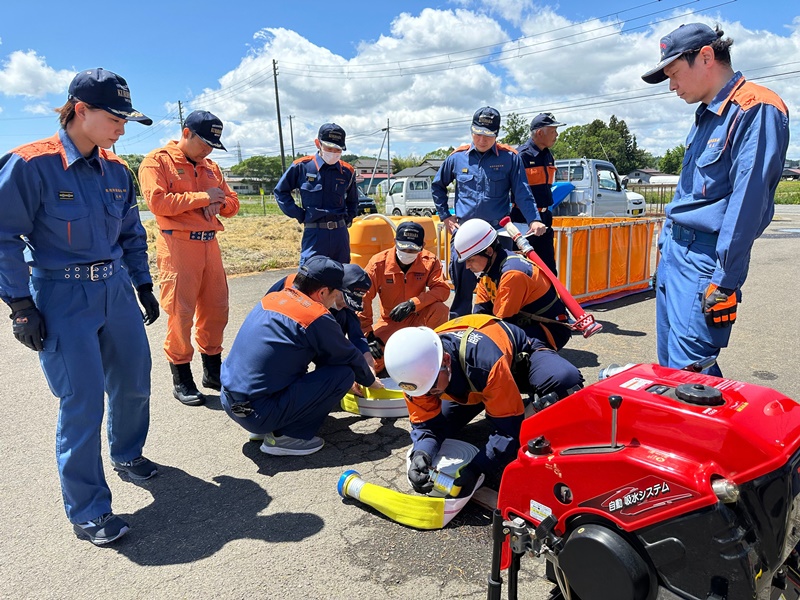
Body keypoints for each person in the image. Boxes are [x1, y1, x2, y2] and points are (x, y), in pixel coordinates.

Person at [0, 68, 159, 545]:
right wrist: (21, 305)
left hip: (115, 290)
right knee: (82, 401)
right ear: (80, 110)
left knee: (134, 381)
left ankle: (127, 453)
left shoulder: (116, 170)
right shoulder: (30, 165)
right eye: (115, 117)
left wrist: (143, 283)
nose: (122, 128)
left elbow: (131, 232)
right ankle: (89, 509)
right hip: (61, 295)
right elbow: (3, 237)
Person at [641, 23, 790, 376]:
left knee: (691, 371)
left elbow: (747, 205)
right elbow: (687, 193)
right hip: (676, 255)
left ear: (705, 56)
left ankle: (708, 432)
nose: (673, 86)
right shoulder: (705, 115)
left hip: (704, 261)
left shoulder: (755, 108)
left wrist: (725, 281)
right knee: (671, 368)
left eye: (675, 74)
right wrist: (664, 248)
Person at [383, 317, 583, 497]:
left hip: (517, 363)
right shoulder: (417, 375)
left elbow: (507, 431)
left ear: (445, 361)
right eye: (420, 392)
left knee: (565, 380)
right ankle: (492, 399)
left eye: (431, 387)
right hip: (476, 380)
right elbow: (426, 426)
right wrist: (422, 453)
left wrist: (478, 469)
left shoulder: (484, 362)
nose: (427, 394)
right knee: (443, 427)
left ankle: (531, 406)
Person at [220, 256, 383, 456]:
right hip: (258, 413)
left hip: (229, 401)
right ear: (323, 292)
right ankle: (286, 437)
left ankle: (266, 427)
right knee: (343, 374)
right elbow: (348, 356)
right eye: (335, 294)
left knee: (290, 362)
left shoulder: (273, 297)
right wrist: (370, 381)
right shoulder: (315, 316)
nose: (335, 301)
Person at [138, 110, 240, 406]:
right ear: (186, 133)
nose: (208, 150)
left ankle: (212, 371)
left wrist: (219, 202)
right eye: (204, 142)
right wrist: (204, 198)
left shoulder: (211, 167)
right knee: (181, 313)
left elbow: (232, 203)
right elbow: (158, 202)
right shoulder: (157, 162)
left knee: (216, 308)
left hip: (210, 245)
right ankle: (182, 376)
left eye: (213, 145)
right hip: (178, 245)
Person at [431, 107, 546, 318]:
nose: (482, 140)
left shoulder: (510, 158)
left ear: (497, 135)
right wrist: (445, 216)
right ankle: (458, 332)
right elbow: (437, 185)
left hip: (498, 234)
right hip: (464, 233)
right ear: (471, 130)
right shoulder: (457, 158)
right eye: (478, 133)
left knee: (501, 286)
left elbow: (522, 192)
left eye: (488, 135)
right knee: (463, 290)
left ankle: (497, 332)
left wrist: (534, 220)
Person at [453, 219, 571, 351]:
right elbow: (480, 314)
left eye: (471, 260)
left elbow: (500, 323)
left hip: (549, 330)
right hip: (522, 322)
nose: (468, 267)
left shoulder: (512, 274)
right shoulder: (487, 271)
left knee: (503, 348)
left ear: (489, 251)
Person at [358, 222, 450, 373]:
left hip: (418, 317)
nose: (407, 252)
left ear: (422, 246)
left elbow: (442, 289)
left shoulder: (430, 261)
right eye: (403, 246)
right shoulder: (378, 263)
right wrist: (367, 334)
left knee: (439, 309)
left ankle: (434, 354)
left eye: (413, 249)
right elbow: (362, 297)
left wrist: (413, 304)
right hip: (391, 321)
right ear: (394, 242)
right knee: (370, 364)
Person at [268, 262, 377, 378]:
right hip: (284, 339)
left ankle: (326, 373)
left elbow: (356, 333)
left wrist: (367, 358)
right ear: (335, 287)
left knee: (342, 317)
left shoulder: (341, 304)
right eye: (344, 299)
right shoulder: (301, 287)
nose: (345, 305)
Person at [274, 123, 358, 266]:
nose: (333, 152)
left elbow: (353, 201)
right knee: (309, 278)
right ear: (317, 143)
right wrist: (300, 214)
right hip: (315, 233)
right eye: (329, 148)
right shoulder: (301, 167)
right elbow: (281, 192)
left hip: (340, 235)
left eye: (337, 149)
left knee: (341, 277)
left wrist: (347, 219)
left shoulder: (347, 171)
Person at [513, 112, 567, 275]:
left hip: (544, 219)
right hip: (523, 220)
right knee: (522, 269)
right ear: (539, 132)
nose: (556, 135)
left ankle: (549, 300)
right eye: (553, 131)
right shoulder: (521, 156)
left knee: (549, 270)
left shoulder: (548, 156)